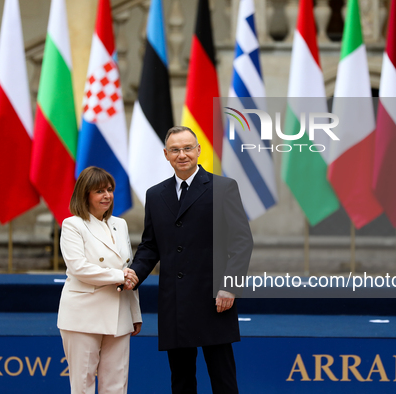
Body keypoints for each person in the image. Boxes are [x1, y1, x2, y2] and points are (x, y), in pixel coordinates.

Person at [128, 126, 253, 393]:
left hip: (215, 299)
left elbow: (241, 242)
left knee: (223, 381)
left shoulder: (223, 187)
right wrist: (134, 274)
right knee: (181, 381)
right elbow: (150, 246)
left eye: (187, 148)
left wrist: (230, 286)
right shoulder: (155, 195)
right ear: (166, 154)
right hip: (176, 303)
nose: (182, 154)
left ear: (198, 150)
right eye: (175, 150)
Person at [58, 166, 142, 394]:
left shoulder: (120, 224)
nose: (107, 195)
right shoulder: (72, 225)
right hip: (83, 316)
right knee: (82, 386)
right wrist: (118, 276)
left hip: (119, 315)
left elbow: (129, 268)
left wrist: (135, 313)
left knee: (117, 386)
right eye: (99, 191)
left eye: (109, 190)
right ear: (85, 195)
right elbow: (78, 268)